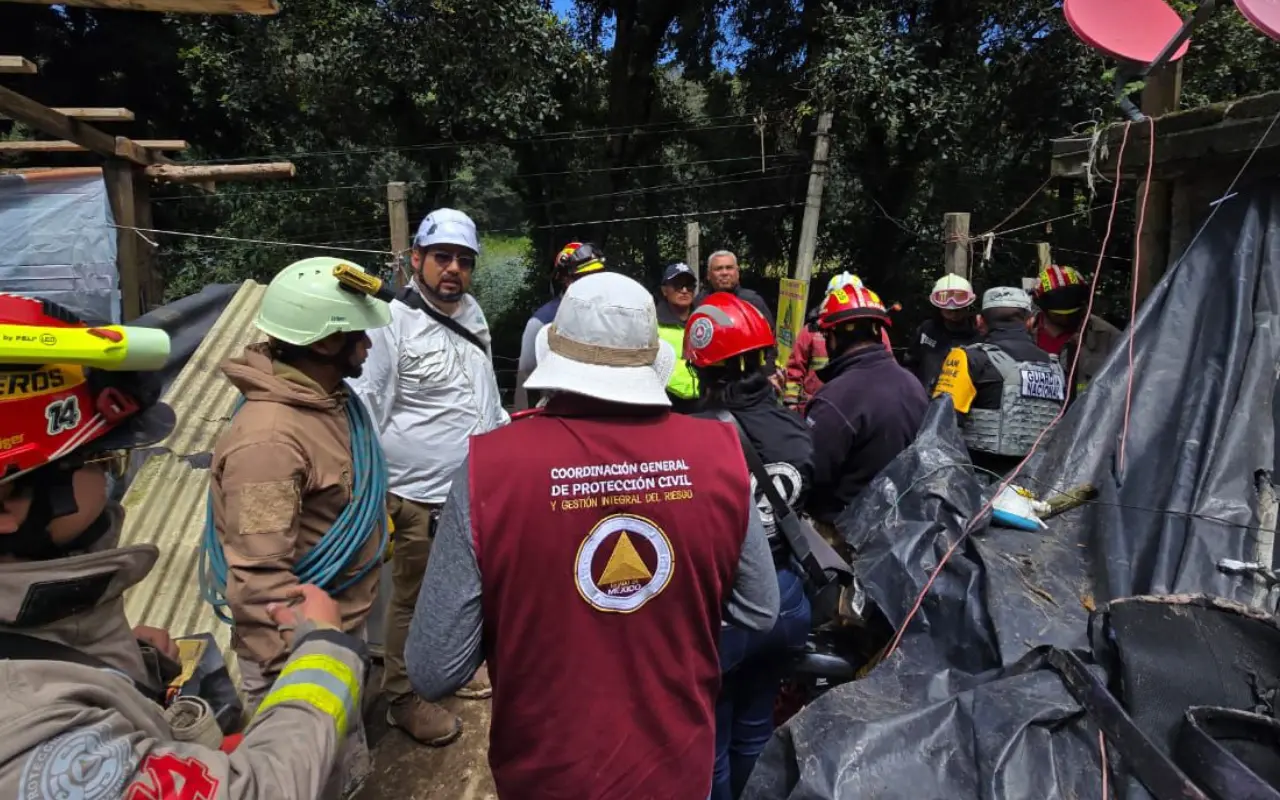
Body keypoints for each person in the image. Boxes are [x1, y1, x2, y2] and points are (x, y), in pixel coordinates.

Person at [403, 272, 781, 798]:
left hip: (547, 772)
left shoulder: (489, 469)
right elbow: (761, 610)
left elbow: (433, 669)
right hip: (677, 768)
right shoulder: (720, 454)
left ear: (556, 358)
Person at [0, 293, 368, 798]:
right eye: (103, 463)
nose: (116, 490)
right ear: (6, 503)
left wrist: (118, 669)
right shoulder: (29, 736)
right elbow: (261, 790)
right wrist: (322, 654)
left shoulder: (37, 636)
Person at [206, 256, 391, 797]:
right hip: (296, 656)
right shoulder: (269, 443)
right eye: (357, 333)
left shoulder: (328, 405)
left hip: (332, 633)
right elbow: (261, 583)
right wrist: (304, 673)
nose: (369, 345)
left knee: (347, 770)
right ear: (322, 343)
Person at [349, 208, 508, 746]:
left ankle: (455, 667)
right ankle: (401, 696)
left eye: (464, 260)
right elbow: (368, 406)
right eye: (442, 257)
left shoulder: (473, 312)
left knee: (471, 590)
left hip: (477, 487)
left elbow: (482, 390)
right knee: (412, 600)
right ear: (416, 259)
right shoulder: (389, 322)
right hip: (418, 495)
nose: (453, 270)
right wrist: (369, 494)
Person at [685, 292, 813, 800]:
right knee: (756, 724)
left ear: (700, 364)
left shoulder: (687, 439)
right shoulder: (798, 429)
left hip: (721, 610)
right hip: (786, 601)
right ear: (765, 358)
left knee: (710, 740)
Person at [805, 281, 929, 531]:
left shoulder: (836, 397)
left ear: (833, 337)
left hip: (843, 531)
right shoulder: (911, 383)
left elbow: (811, 473)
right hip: (902, 526)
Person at [933, 286, 1066, 477]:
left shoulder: (967, 358)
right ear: (1031, 322)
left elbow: (939, 425)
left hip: (979, 487)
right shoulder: (1055, 367)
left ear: (980, 322)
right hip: (1038, 485)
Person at [515, 241, 607, 410]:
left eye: (597, 274)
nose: (594, 282)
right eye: (585, 276)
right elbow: (527, 371)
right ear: (566, 279)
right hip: (559, 409)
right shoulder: (543, 321)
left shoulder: (609, 312)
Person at [1032, 264, 1121, 400]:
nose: (1066, 317)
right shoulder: (1023, 332)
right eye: (1058, 315)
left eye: (1074, 313)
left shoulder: (1108, 337)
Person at [782, 272, 863, 411]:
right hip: (813, 407)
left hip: (853, 409)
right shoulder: (812, 330)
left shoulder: (874, 332)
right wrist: (791, 403)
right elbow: (795, 367)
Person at [905, 273, 980, 391]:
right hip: (925, 399)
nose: (954, 314)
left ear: (967, 306)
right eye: (949, 310)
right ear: (939, 307)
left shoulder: (977, 334)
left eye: (958, 309)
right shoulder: (927, 330)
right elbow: (910, 364)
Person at [656, 261, 701, 412]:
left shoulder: (705, 321)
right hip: (665, 402)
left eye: (689, 286)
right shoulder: (651, 323)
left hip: (703, 402)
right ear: (664, 290)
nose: (684, 290)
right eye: (677, 285)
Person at [700, 249, 774, 324]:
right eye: (719, 268)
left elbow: (769, 332)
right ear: (708, 275)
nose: (724, 273)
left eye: (729, 268)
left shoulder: (753, 301)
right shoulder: (700, 301)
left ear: (737, 272)